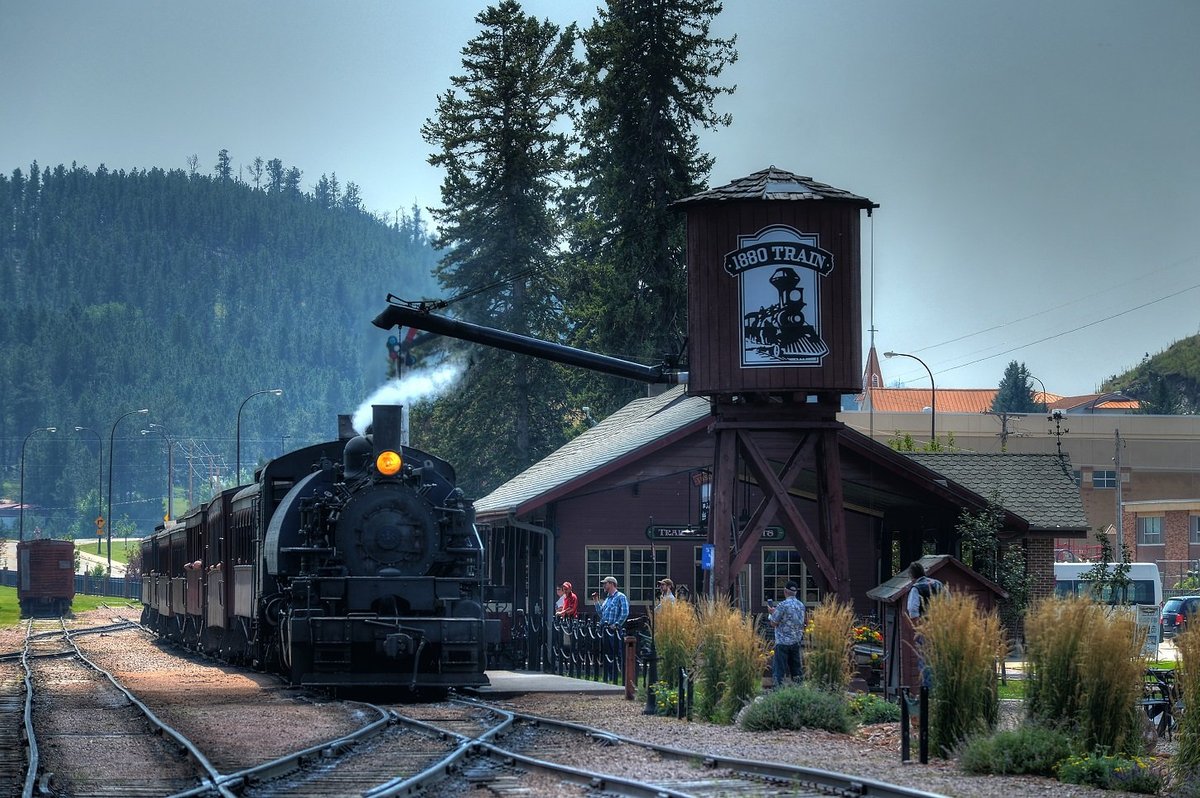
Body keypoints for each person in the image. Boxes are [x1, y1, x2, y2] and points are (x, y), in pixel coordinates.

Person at [906, 561, 946, 689]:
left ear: (912, 576)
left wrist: (918, 628)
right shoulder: (938, 584)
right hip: (942, 630)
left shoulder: (916, 588)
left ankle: (928, 695)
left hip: (926, 631)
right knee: (942, 661)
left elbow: (912, 611)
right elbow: (950, 604)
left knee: (926, 663)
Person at [768, 580, 806, 688]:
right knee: (796, 670)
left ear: (785, 591)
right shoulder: (801, 605)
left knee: (779, 671)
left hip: (782, 643)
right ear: (795, 592)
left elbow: (773, 623)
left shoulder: (782, 605)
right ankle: (799, 691)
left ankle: (777, 693)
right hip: (796, 641)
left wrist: (771, 613)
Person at [592, 576, 629, 682]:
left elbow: (625, 612)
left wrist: (617, 624)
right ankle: (609, 676)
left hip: (614, 631)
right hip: (605, 629)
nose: (603, 585)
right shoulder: (608, 598)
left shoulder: (621, 597)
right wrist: (596, 602)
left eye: (605, 583)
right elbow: (601, 613)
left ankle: (619, 676)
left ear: (612, 584)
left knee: (616, 653)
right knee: (607, 653)